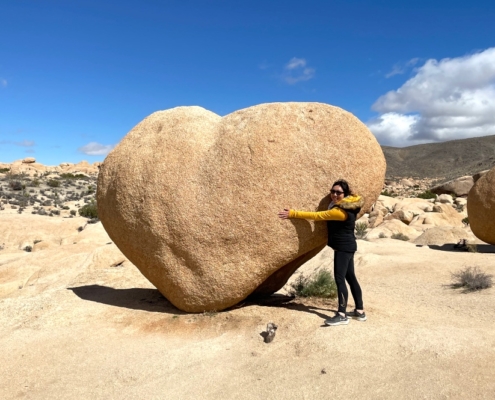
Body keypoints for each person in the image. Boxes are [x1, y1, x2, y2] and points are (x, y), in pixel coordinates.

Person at [278, 179, 366, 326]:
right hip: (348, 246)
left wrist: (293, 213)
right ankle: (360, 311)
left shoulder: (339, 211)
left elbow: (317, 216)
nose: (335, 195)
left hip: (343, 248)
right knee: (350, 278)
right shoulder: (350, 205)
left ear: (345, 194)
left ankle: (342, 314)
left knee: (340, 279)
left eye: (338, 192)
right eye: (333, 191)